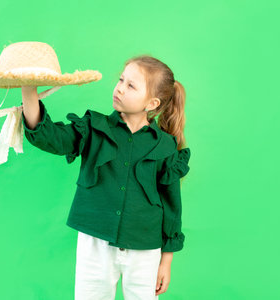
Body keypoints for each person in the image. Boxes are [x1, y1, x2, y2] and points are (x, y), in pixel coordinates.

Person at [21, 55, 191, 300]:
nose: (120, 88)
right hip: (95, 243)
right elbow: (52, 138)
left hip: (145, 247)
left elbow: (172, 205)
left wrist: (166, 261)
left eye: (131, 85)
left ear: (152, 103)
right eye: (121, 80)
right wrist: (28, 90)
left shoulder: (165, 146)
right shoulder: (94, 127)